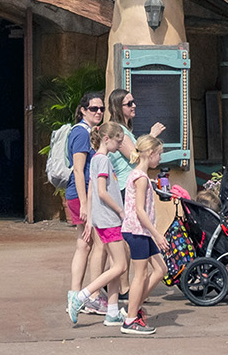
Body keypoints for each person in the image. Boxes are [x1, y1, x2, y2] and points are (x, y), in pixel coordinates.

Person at [71, 124, 132, 327]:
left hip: (103, 219)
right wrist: (121, 211)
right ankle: (83, 296)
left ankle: (112, 311)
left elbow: (91, 192)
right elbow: (102, 191)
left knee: (116, 264)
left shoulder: (97, 159)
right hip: (110, 219)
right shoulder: (103, 160)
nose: (120, 144)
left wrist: (90, 218)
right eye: (118, 140)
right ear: (106, 139)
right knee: (121, 266)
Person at [115, 135, 171, 336]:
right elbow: (140, 210)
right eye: (159, 154)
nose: (160, 159)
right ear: (150, 153)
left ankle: (133, 307)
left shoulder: (141, 176)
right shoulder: (140, 178)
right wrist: (157, 234)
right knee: (141, 274)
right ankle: (130, 319)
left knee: (160, 269)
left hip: (142, 230)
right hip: (137, 230)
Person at [62, 93, 106, 319]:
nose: (98, 112)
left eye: (101, 108)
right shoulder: (81, 133)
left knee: (85, 243)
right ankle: (92, 295)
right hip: (83, 195)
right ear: (82, 110)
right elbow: (79, 170)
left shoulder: (89, 132)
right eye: (93, 108)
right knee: (96, 242)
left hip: (84, 195)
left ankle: (76, 294)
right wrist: (85, 205)